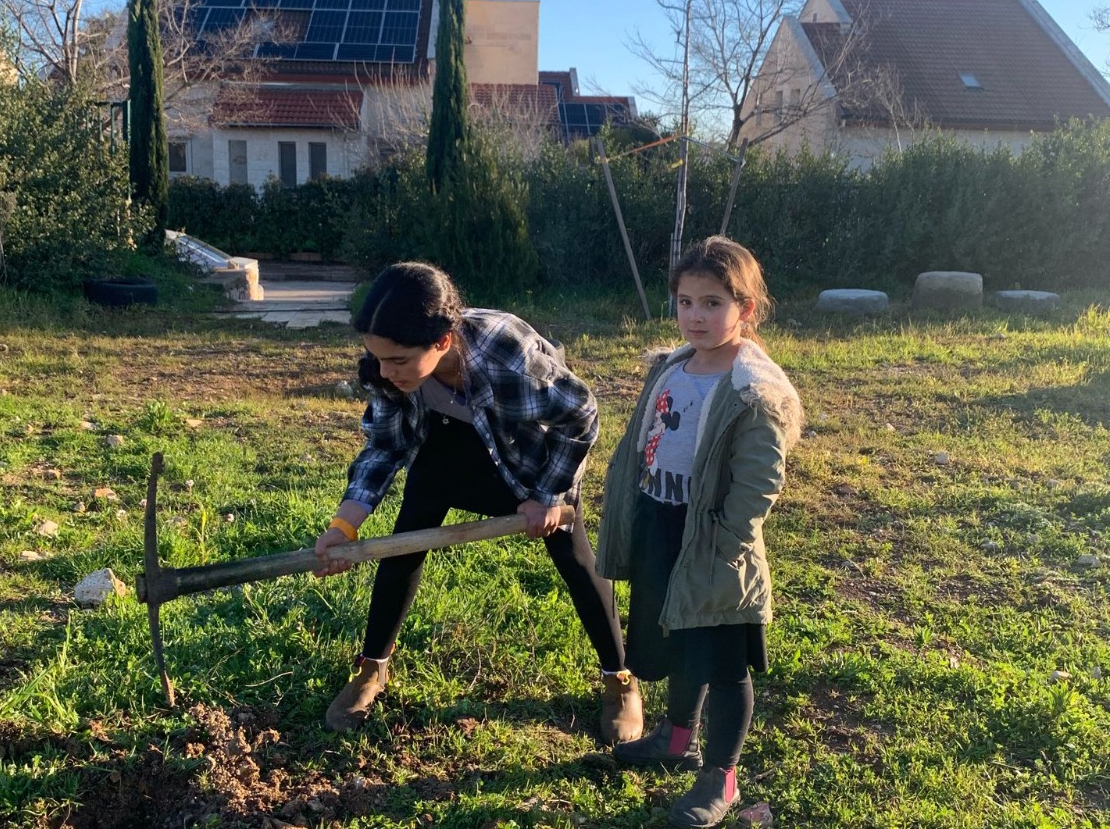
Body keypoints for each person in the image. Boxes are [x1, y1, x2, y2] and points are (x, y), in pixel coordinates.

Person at [313, 261, 643, 744]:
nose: (385, 372)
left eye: (399, 361)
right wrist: (345, 526)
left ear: (442, 340)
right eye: (377, 358)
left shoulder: (507, 356)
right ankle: (372, 668)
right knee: (404, 541)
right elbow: (385, 445)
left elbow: (581, 415)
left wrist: (547, 497)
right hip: (451, 445)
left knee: (575, 558)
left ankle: (619, 679)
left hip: (529, 455)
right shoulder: (386, 367)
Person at [597, 237, 802, 828]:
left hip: (715, 541)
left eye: (713, 303)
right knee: (677, 636)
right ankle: (675, 735)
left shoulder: (750, 390)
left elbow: (761, 477)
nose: (696, 316)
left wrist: (729, 538)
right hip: (663, 525)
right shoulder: (671, 368)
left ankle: (721, 776)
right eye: (686, 302)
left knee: (722, 659)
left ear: (745, 310)